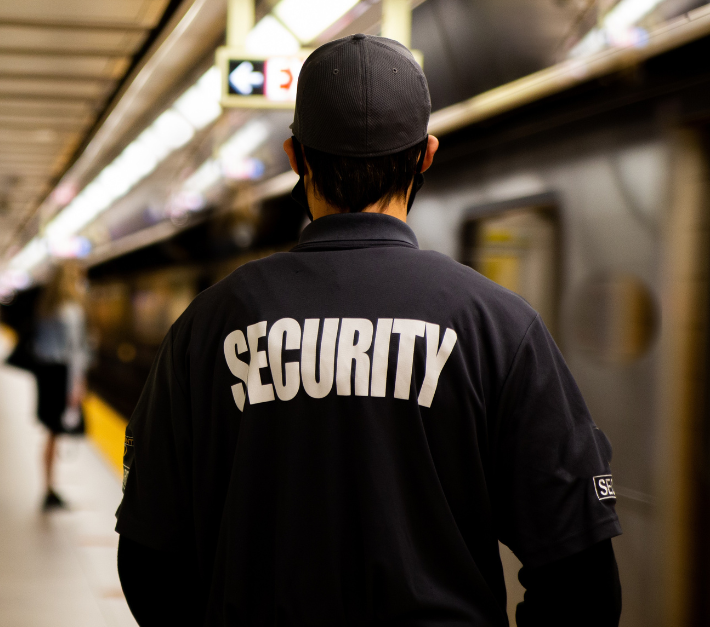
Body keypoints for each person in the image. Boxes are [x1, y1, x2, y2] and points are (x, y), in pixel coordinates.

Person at [115, 34, 621, 626]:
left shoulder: (208, 326)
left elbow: (148, 562)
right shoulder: (500, 327)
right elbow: (582, 581)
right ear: (426, 155)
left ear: (295, 157)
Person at [33, 261, 90, 509]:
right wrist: (76, 385)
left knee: (51, 433)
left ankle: (48, 486)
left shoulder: (47, 308)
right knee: (55, 433)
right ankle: (49, 490)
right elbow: (75, 352)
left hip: (46, 376)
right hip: (62, 376)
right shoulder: (71, 310)